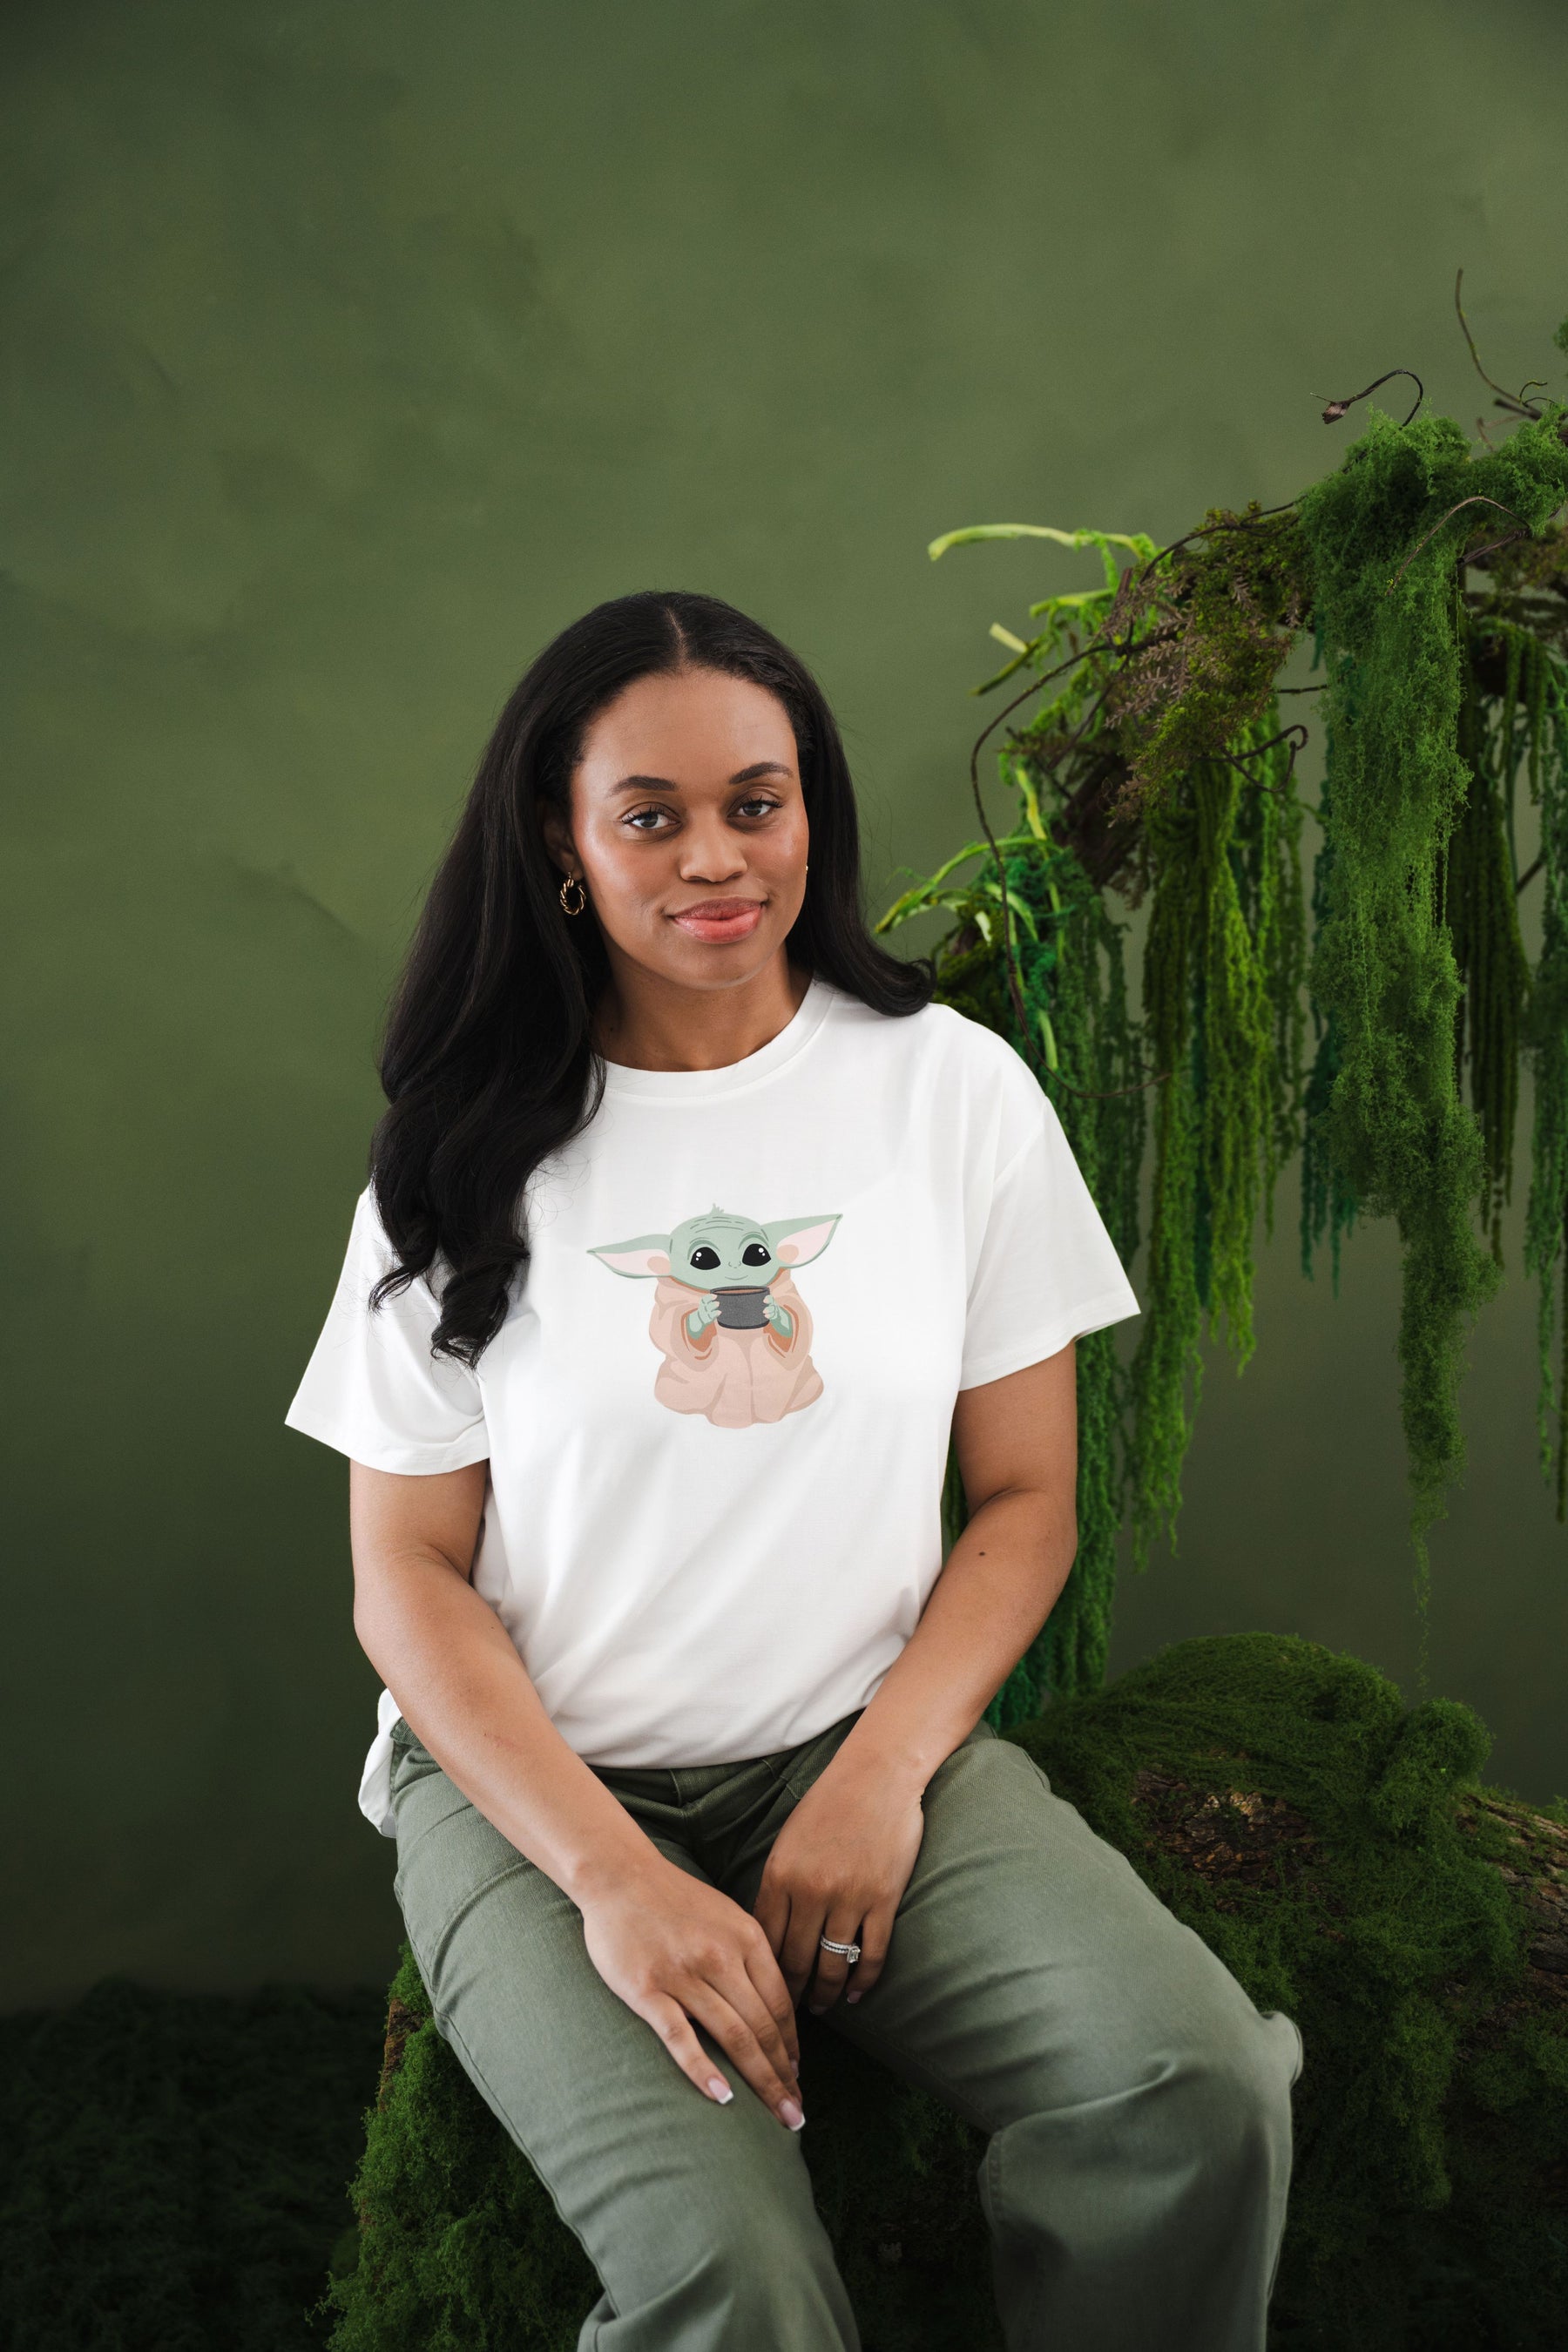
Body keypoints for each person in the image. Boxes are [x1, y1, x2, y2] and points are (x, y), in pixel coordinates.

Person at [285, 590, 1301, 2351]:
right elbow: (407, 1574)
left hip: (853, 1737)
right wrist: (614, 1879)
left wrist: (882, 1776)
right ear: (562, 841)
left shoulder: (951, 1096)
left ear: (809, 808)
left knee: (1198, 2086)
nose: (715, 859)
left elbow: (1028, 1503)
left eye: (756, 803)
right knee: (737, 2284)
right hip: (539, 1798)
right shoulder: (457, 1151)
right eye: (650, 816)